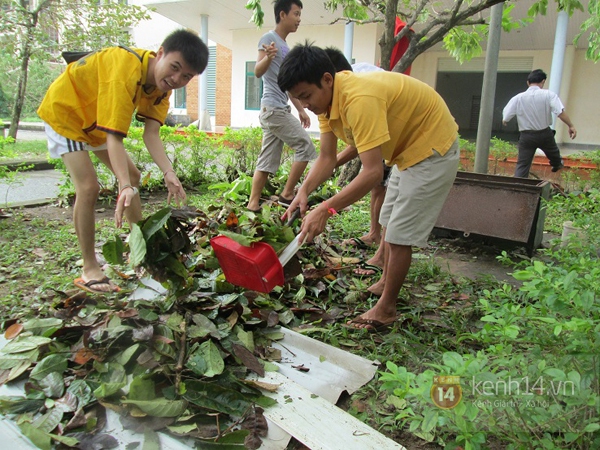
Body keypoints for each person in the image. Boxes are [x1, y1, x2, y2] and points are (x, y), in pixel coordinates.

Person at [278, 43, 459, 332]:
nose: (306, 105)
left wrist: (326, 208)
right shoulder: (327, 103)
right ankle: (386, 281)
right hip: (404, 150)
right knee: (388, 219)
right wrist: (303, 191)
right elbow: (327, 158)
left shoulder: (359, 98)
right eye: (299, 99)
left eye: (306, 96)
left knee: (400, 234)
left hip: (431, 146)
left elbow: (373, 173)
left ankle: (386, 309)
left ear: (327, 79)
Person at [37, 29, 209, 293]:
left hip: (96, 121)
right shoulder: (125, 69)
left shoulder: (162, 90)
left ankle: (138, 251)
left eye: (186, 76)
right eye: (174, 68)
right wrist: (123, 185)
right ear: (160, 53)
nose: (176, 79)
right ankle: (89, 268)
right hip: (68, 113)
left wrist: (168, 172)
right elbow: (114, 139)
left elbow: (151, 134)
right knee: (89, 187)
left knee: (135, 177)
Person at [246, 0, 317, 212]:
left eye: (300, 14)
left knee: (266, 161)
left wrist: (301, 109)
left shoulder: (285, 47)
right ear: (283, 14)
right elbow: (258, 71)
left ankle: (252, 204)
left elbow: (287, 86)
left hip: (275, 109)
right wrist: (268, 57)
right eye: (296, 14)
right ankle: (287, 194)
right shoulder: (269, 39)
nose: (299, 19)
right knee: (306, 146)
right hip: (273, 109)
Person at [323, 46, 387, 275]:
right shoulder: (335, 96)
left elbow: (370, 165)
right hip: (386, 137)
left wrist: (325, 210)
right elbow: (357, 143)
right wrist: (331, 165)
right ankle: (374, 234)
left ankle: (381, 255)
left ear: (329, 80)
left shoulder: (359, 92)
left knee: (390, 196)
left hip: (407, 139)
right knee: (379, 188)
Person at [502, 69, 577, 178]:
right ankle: (557, 164)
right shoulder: (549, 95)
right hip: (544, 134)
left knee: (522, 165)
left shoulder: (518, 98)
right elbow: (560, 113)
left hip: (526, 136)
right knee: (554, 152)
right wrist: (571, 125)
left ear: (528, 82)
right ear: (543, 81)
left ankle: (518, 186)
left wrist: (505, 121)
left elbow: (506, 117)